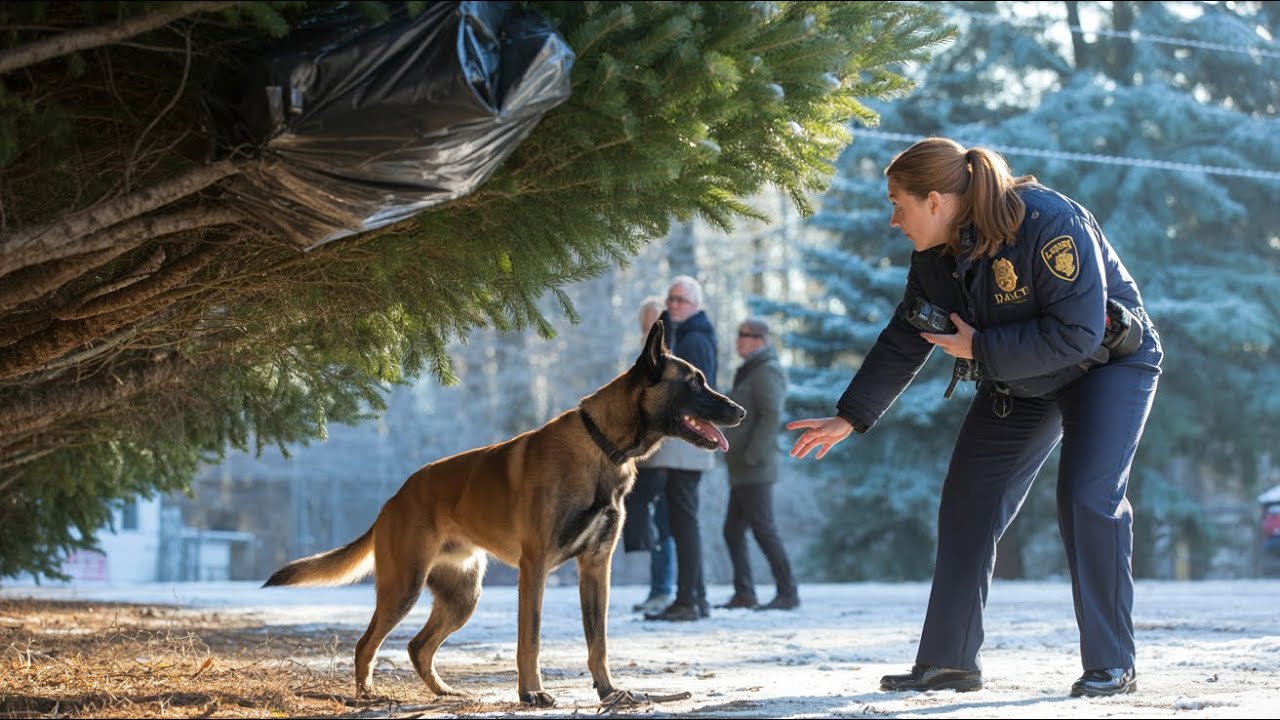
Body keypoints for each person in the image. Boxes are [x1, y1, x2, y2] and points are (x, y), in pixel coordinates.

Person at [786, 137, 1162, 698]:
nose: (893, 219)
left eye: (898, 204)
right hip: (1019, 376)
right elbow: (909, 333)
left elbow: (1081, 333)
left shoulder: (1050, 223)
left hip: (1109, 366)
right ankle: (950, 662)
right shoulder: (934, 258)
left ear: (935, 200)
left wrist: (980, 347)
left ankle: (1113, 664)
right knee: (967, 504)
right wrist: (850, 417)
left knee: (1088, 499)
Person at [644, 275, 719, 622]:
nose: (673, 305)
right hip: (683, 442)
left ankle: (689, 599)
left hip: (686, 444)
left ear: (696, 305)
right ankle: (694, 597)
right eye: (670, 299)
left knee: (683, 522)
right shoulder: (684, 335)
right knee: (681, 522)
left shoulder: (695, 339)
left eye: (680, 301)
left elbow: (694, 396)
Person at [718, 317, 799, 611]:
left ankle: (788, 593)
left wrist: (752, 454)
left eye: (746, 335)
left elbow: (771, 415)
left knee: (764, 529)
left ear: (761, 340)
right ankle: (745, 593)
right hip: (740, 467)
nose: (739, 339)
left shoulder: (767, 371)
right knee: (732, 531)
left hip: (755, 466)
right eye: (738, 334)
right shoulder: (749, 371)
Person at [621, 296, 678, 614]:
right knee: (655, 522)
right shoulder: (650, 359)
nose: (648, 332)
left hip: (663, 457)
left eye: (652, 325)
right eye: (645, 326)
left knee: (663, 524)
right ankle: (659, 587)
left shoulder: (668, 362)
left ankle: (663, 588)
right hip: (649, 456)